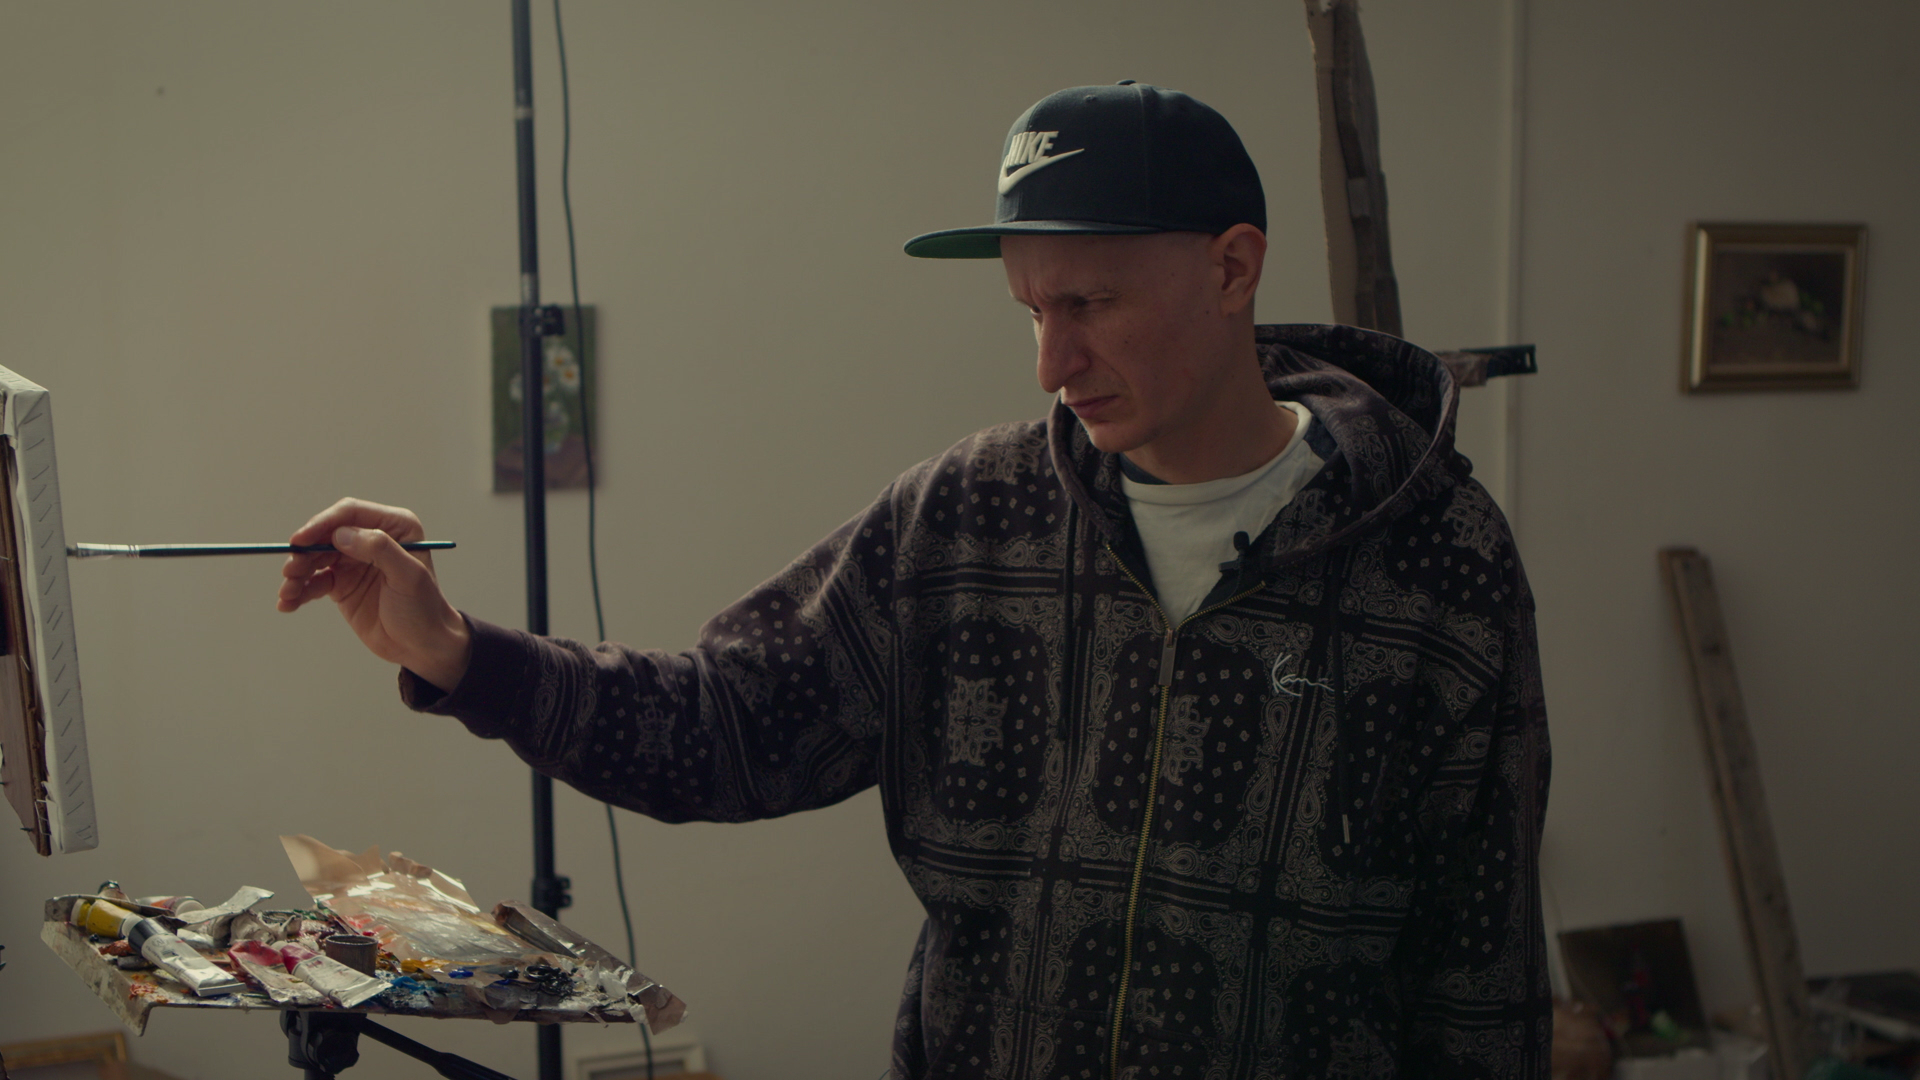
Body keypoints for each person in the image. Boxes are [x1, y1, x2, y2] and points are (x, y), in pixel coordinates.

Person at [279, 83, 1550, 1079]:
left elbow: (1480, 965)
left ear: (1231, 268)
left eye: (1092, 303)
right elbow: (727, 723)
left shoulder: (1437, 557)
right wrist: (456, 654)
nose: (1052, 362)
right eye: (1031, 311)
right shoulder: (967, 516)